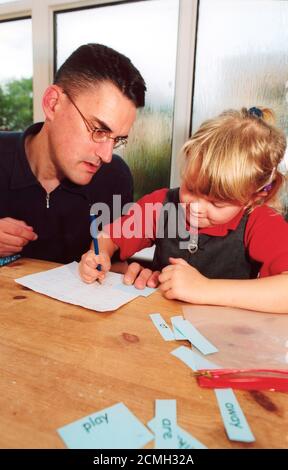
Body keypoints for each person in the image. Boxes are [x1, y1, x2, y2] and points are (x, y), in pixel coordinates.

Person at [79, 106, 288, 313]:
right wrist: (98, 255)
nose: (195, 208)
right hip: (161, 325)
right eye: (190, 188)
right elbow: (109, 237)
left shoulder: (260, 221)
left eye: (217, 203)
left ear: (254, 196)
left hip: (225, 337)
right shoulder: (162, 205)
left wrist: (205, 289)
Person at [0, 43, 151, 284]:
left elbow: (108, 260)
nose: (107, 155)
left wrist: (132, 275)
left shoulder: (115, 177)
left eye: (118, 139)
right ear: (52, 103)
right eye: (99, 130)